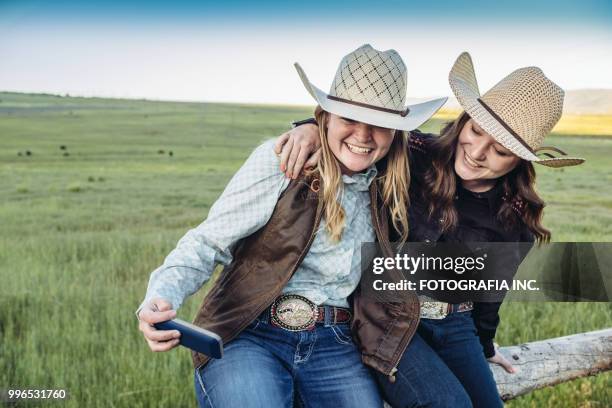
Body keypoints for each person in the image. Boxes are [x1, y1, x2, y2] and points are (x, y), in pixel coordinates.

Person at [136, 44, 446, 408]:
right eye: (349, 118)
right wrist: (161, 296)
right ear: (325, 116)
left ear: (396, 132)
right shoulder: (283, 161)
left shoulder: (390, 183)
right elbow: (208, 242)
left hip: (336, 342)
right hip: (251, 331)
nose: (363, 136)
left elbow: (465, 166)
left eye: (379, 125)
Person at [274, 52, 584, 407]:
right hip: (386, 317)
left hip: (456, 326)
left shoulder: (513, 221)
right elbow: (361, 134)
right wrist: (309, 127)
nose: (477, 152)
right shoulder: (414, 153)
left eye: (499, 150)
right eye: (476, 131)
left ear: (520, 160)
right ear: (463, 121)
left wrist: (484, 348)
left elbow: (487, 299)